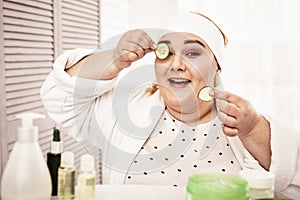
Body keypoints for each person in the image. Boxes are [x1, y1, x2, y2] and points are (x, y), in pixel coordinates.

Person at [40, 11, 300, 198]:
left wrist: (254, 128)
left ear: (216, 69)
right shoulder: (125, 109)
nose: (176, 64)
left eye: (192, 53)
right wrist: (114, 59)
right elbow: (59, 97)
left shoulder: (241, 122)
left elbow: (292, 181)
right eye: (167, 53)